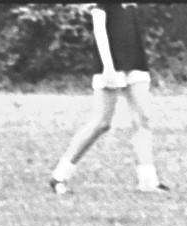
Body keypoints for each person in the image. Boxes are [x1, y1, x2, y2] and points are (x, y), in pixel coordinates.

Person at [49, 1, 169, 195]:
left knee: (143, 119)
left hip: (135, 62)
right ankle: (59, 176)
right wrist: (108, 69)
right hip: (111, 66)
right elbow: (99, 30)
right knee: (101, 123)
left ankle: (148, 182)